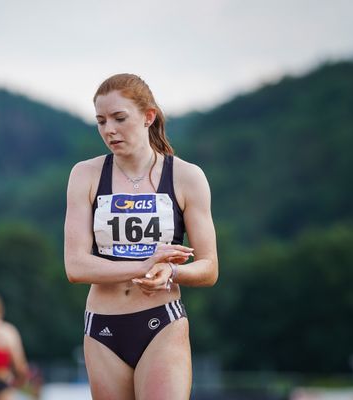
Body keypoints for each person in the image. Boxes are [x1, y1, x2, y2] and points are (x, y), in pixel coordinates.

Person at [64, 73, 218, 399]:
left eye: (120, 118)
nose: (109, 130)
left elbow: (209, 267)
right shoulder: (85, 175)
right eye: (101, 121)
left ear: (148, 117)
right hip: (104, 327)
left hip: (162, 322)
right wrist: (145, 265)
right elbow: (75, 266)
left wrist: (172, 271)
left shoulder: (187, 177)